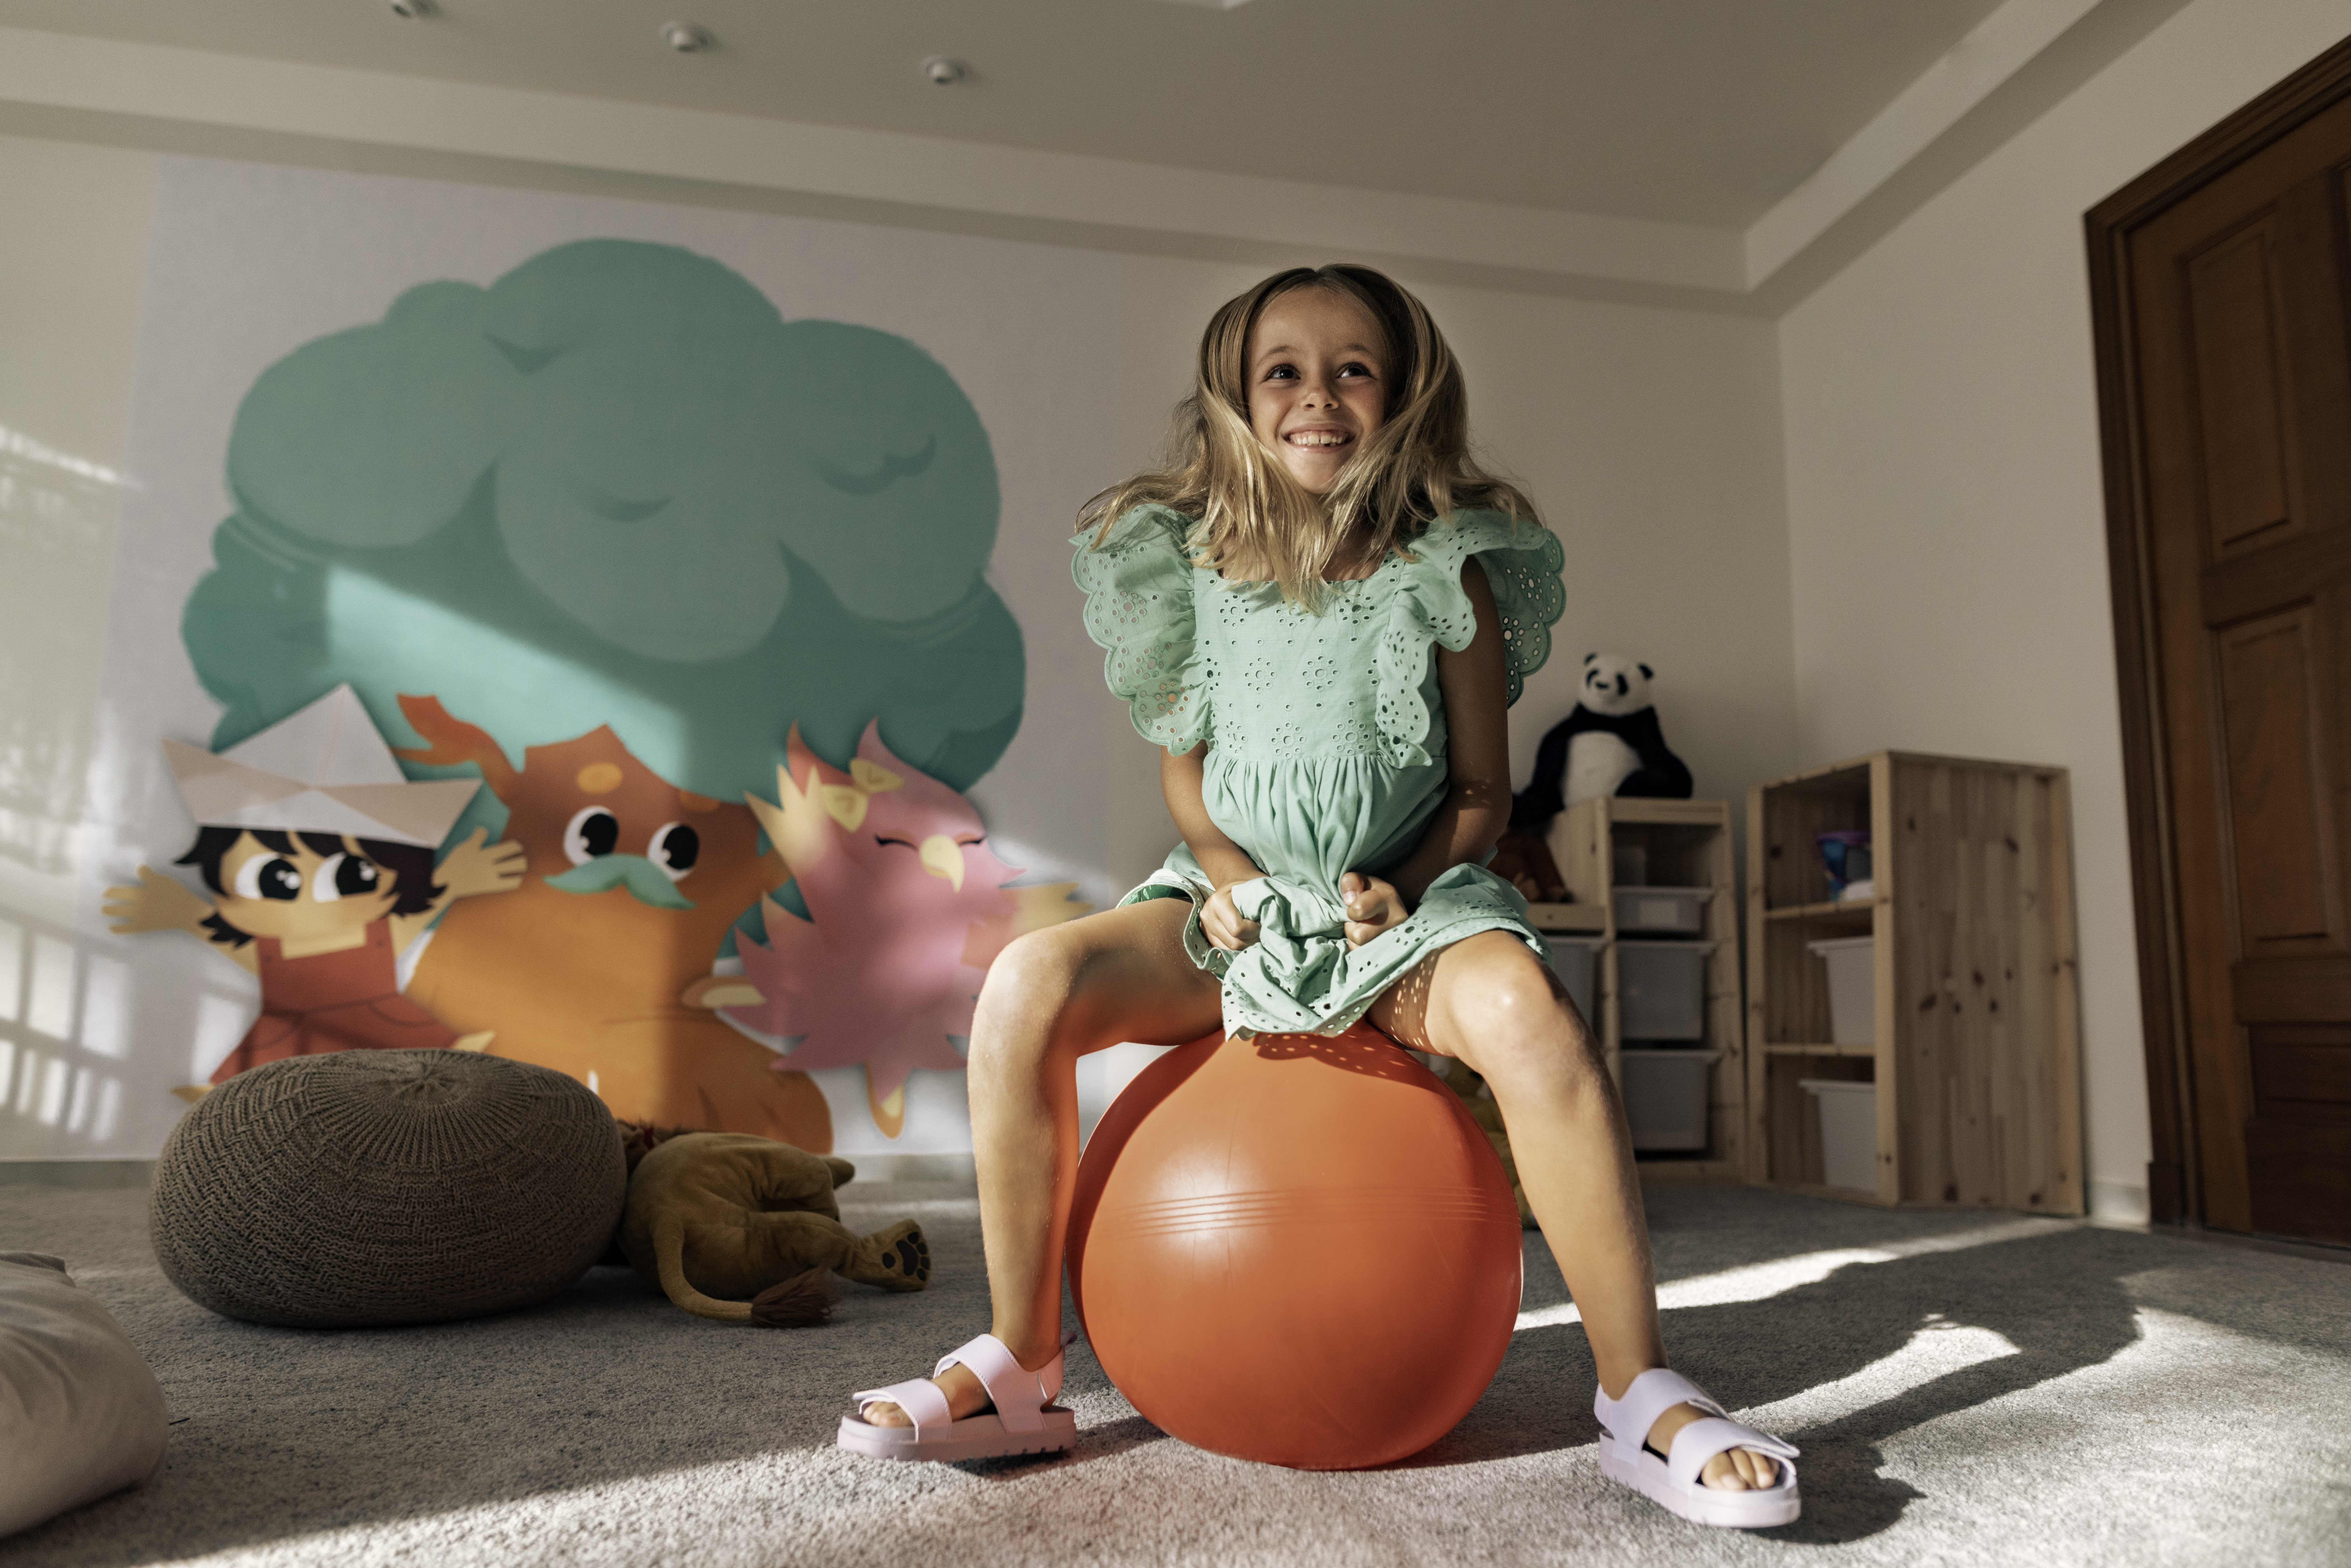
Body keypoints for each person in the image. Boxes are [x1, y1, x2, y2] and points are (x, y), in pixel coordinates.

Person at [834, 264, 1799, 1528]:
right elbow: (1186, 782)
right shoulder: (1187, 567)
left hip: (1397, 910)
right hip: (1229, 905)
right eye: (1282, 369)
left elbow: (1479, 793)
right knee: (1027, 979)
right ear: (1239, 398)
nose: (1317, 396)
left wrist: (1392, 892)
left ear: (1400, 396)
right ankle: (1020, 1363)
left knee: (1529, 1014)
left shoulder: (1445, 572)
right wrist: (1229, 886)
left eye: (1353, 367)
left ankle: (1639, 1389)